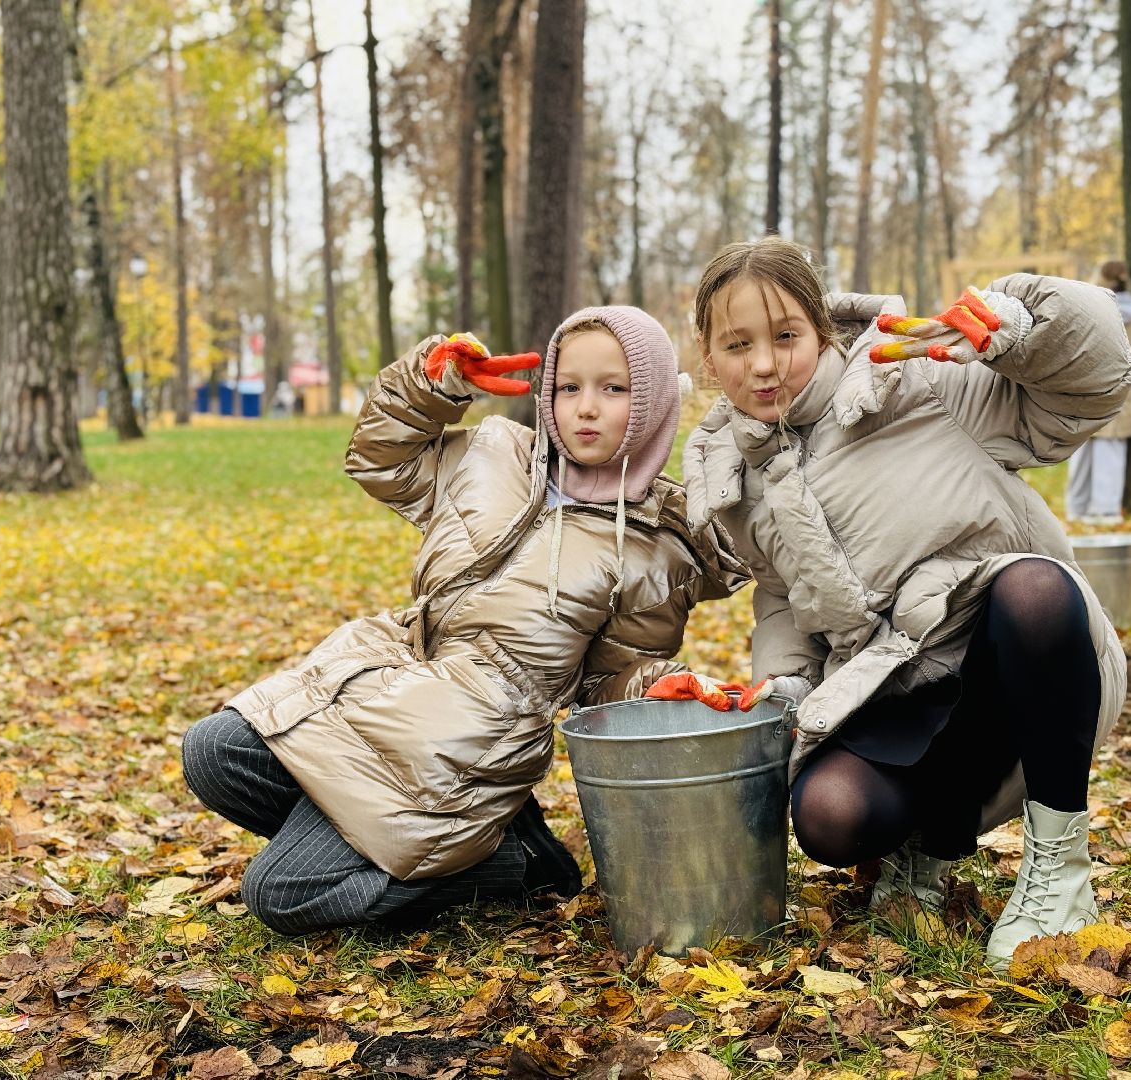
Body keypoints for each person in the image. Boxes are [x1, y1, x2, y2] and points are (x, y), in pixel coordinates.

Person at [182, 307, 746, 934]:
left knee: (281, 894)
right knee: (212, 753)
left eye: (613, 389)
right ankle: (414, 836)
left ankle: (519, 861)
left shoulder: (654, 547)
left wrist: (651, 688)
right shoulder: (495, 450)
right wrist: (429, 388)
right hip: (387, 676)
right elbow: (380, 463)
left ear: (654, 401)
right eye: (568, 387)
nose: (585, 408)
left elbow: (601, 685)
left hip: (468, 745)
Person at [679, 236, 1131, 968]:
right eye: (738, 344)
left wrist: (1019, 333)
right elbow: (779, 596)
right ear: (709, 357)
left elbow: (1096, 386)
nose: (763, 365)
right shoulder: (736, 475)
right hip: (897, 689)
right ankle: (926, 847)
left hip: (1021, 656)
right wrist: (783, 684)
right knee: (829, 819)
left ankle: (1060, 868)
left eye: (786, 336)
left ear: (823, 331)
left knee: (1035, 589)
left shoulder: (917, 378)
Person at [1065, 260, 1131, 526]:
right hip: (1117, 381)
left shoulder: (1089, 307)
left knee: (1082, 447)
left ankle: (1078, 506)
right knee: (1110, 449)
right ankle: (1104, 509)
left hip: (1085, 382)